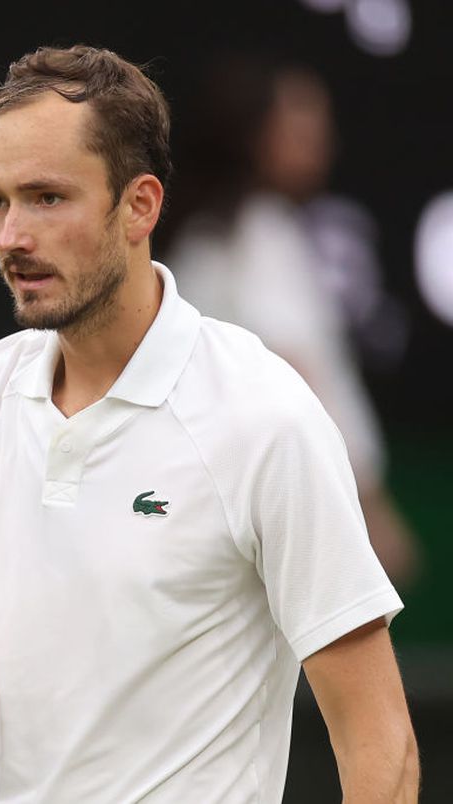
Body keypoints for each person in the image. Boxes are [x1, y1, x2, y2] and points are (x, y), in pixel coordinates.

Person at [0, 44, 418, 802]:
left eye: (47, 197)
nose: (12, 236)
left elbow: (382, 746)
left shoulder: (263, 416)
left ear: (141, 204)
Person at [164, 52, 419, 587]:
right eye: (301, 127)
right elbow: (293, 370)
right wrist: (365, 505)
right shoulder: (256, 236)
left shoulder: (224, 233)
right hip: (272, 507)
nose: (322, 142)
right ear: (253, 136)